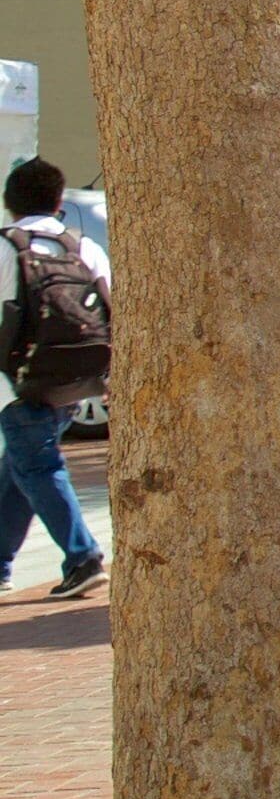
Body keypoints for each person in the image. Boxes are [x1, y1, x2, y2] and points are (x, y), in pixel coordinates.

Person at [1, 159, 109, 603]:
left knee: (38, 467)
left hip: (17, 384)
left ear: (9, 204)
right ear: (59, 202)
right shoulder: (83, 248)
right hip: (75, 382)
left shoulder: (8, 249)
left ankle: (84, 558)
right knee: (19, 470)